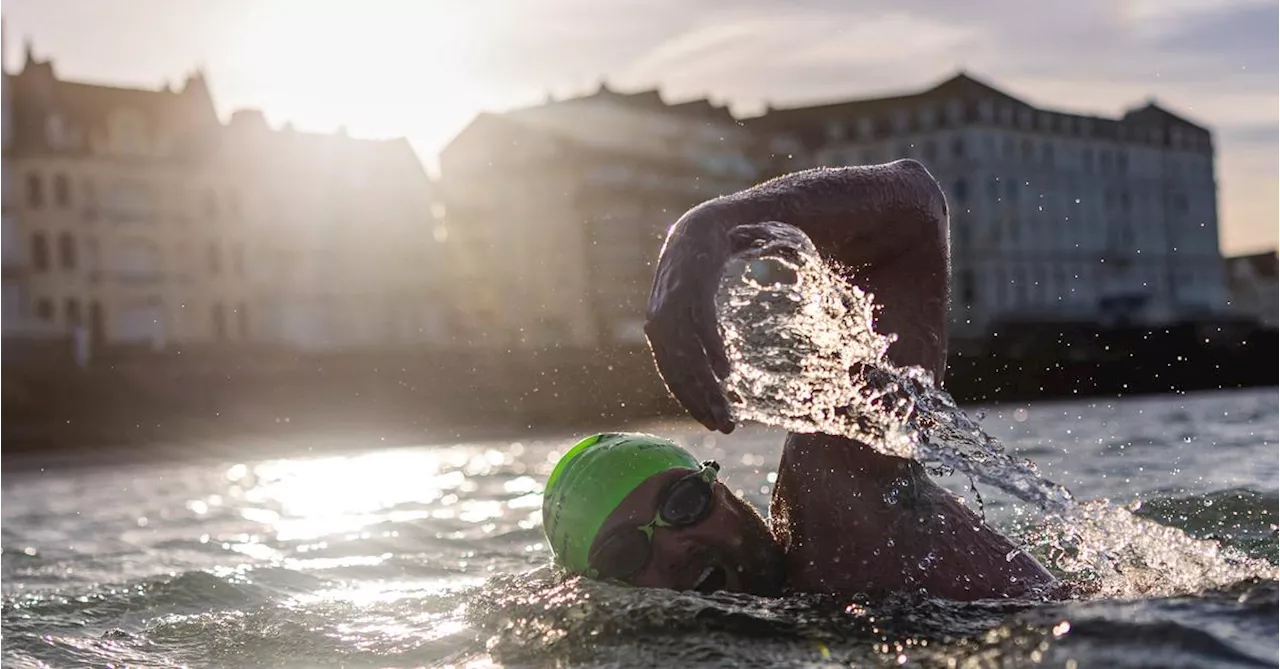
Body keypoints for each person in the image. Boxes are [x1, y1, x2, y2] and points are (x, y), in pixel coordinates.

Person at [541, 160, 1056, 600]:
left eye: (683, 503)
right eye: (625, 554)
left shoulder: (835, 493)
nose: (676, 547)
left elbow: (913, 211)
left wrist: (714, 226)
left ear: (719, 488)